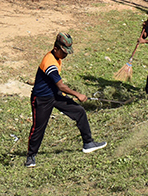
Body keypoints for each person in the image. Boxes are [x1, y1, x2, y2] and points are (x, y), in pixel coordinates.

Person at [25, 33, 106, 168]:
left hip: (54, 95)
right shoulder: (49, 61)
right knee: (38, 127)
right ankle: (30, 157)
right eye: (64, 52)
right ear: (55, 48)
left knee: (79, 111)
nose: (66, 55)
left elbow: (58, 87)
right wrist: (77, 94)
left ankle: (88, 143)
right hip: (41, 99)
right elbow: (61, 85)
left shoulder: (57, 58)